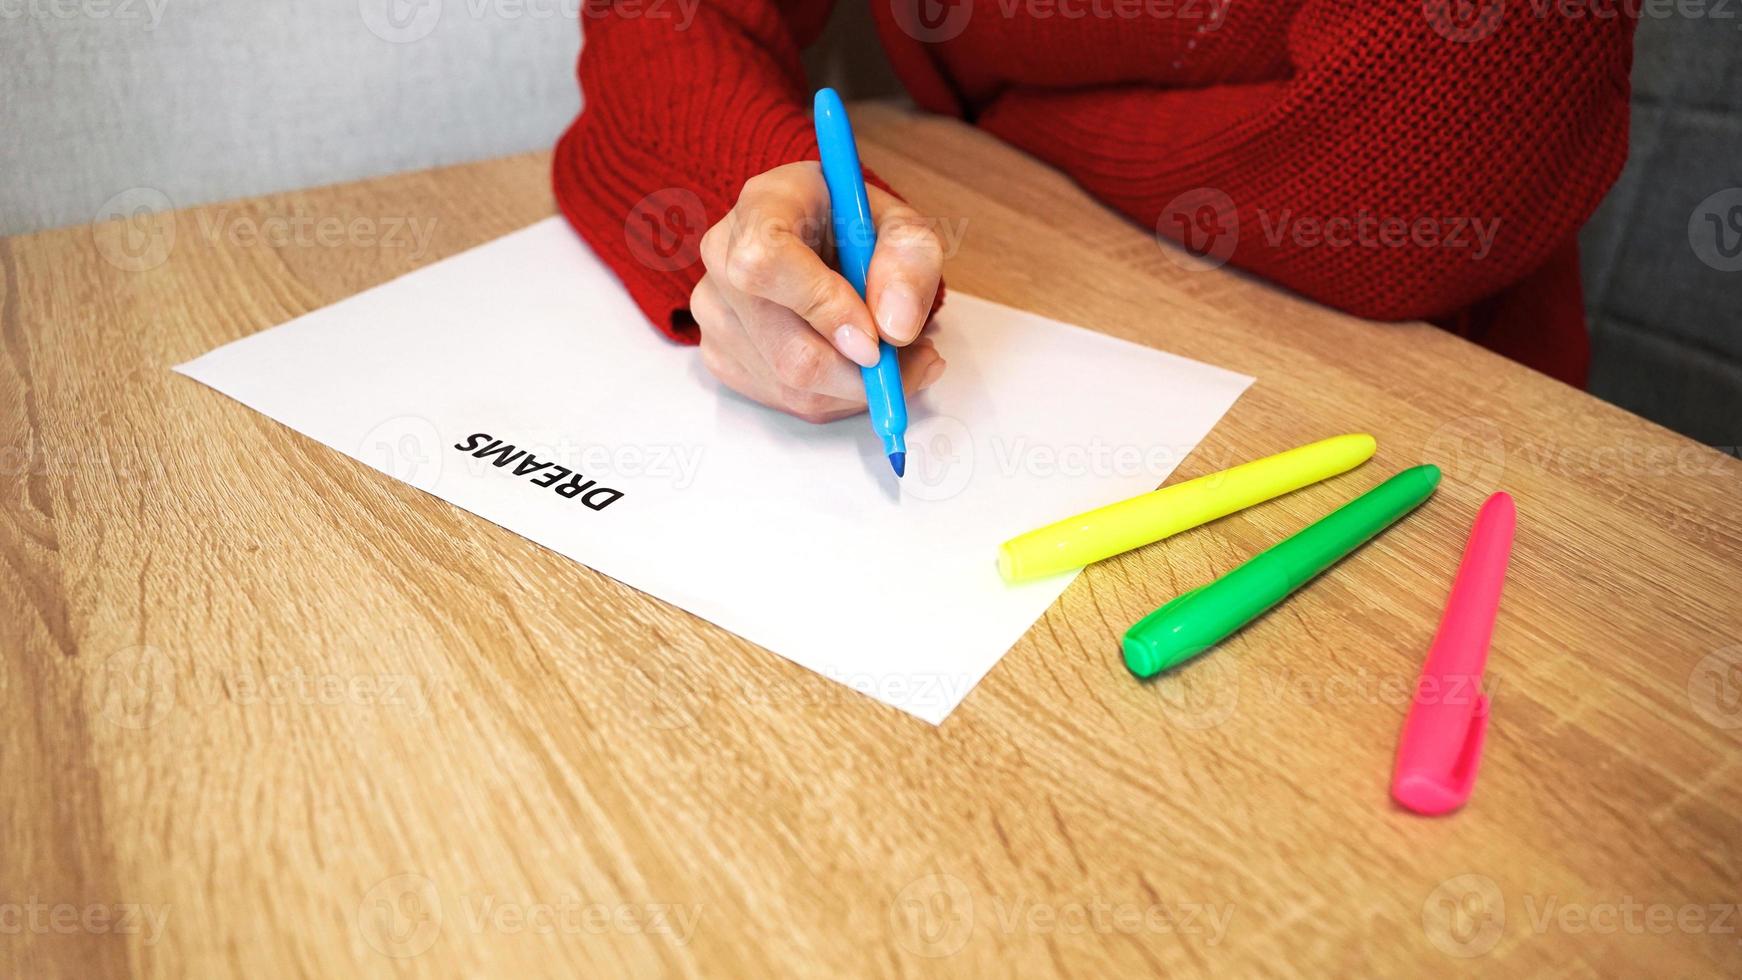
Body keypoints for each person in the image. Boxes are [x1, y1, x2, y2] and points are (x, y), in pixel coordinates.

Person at [552, 0, 1636, 421]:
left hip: (1426, 403)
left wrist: (1010, 119)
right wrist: (762, 181)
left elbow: (1424, 165)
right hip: (1050, 286)